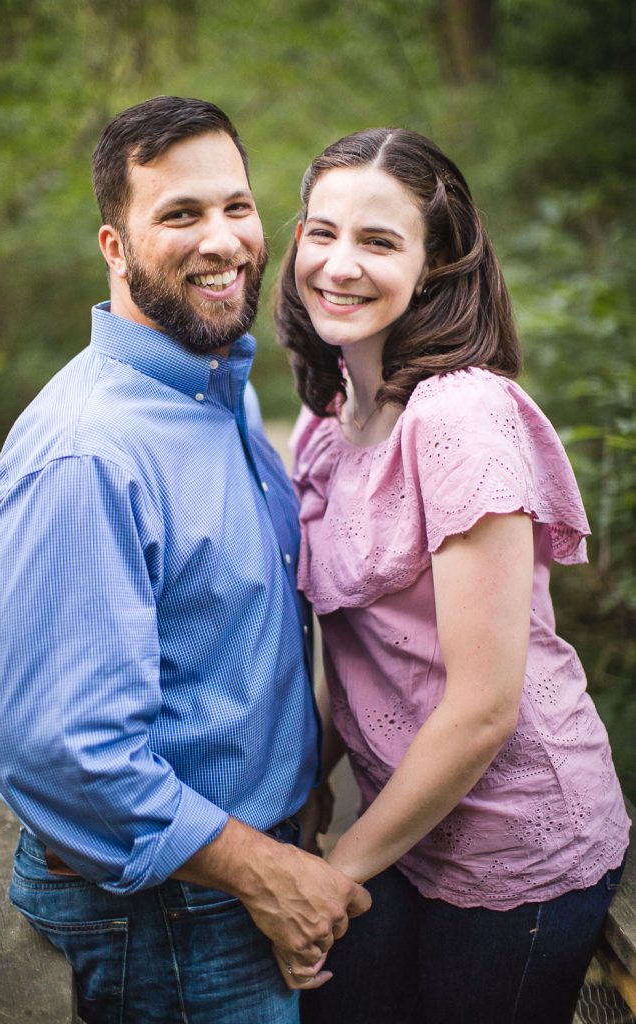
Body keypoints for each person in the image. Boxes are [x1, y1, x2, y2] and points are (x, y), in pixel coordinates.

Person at [0, 96, 370, 1024]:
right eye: (180, 214)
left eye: (235, 206)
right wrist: (265, 870)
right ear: (115, 247)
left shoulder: (210, 382)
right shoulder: (87, 457)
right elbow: (61, 751)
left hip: (233, 876)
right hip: (168, 915)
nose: (223, 240)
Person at [275, 127, 631, 1024]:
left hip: (513, 837)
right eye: (321, 232)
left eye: (378, 240)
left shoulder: (461, 417)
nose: (337, 264)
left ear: (434, 266)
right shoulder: (323, 426)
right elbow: (352, 657)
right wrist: (296, 797)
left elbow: (482, 707)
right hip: (398, 826)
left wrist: (328, 873)